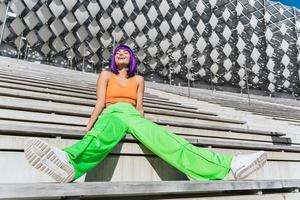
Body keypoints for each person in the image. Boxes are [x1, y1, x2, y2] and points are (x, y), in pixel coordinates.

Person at [24, 44, 267, 183]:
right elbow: (99, 102)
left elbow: (140, 106)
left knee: (170, 142)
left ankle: (229, 165)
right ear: (113, 59)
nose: (121, 55)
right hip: (112, 112)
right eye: (118, 53)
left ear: (131, 59)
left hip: (133, 115)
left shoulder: (139, 79)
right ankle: (68, 160)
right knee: (100, 135)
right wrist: (89, 125)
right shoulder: (105, 75)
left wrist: (143, 124)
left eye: (125, 53)